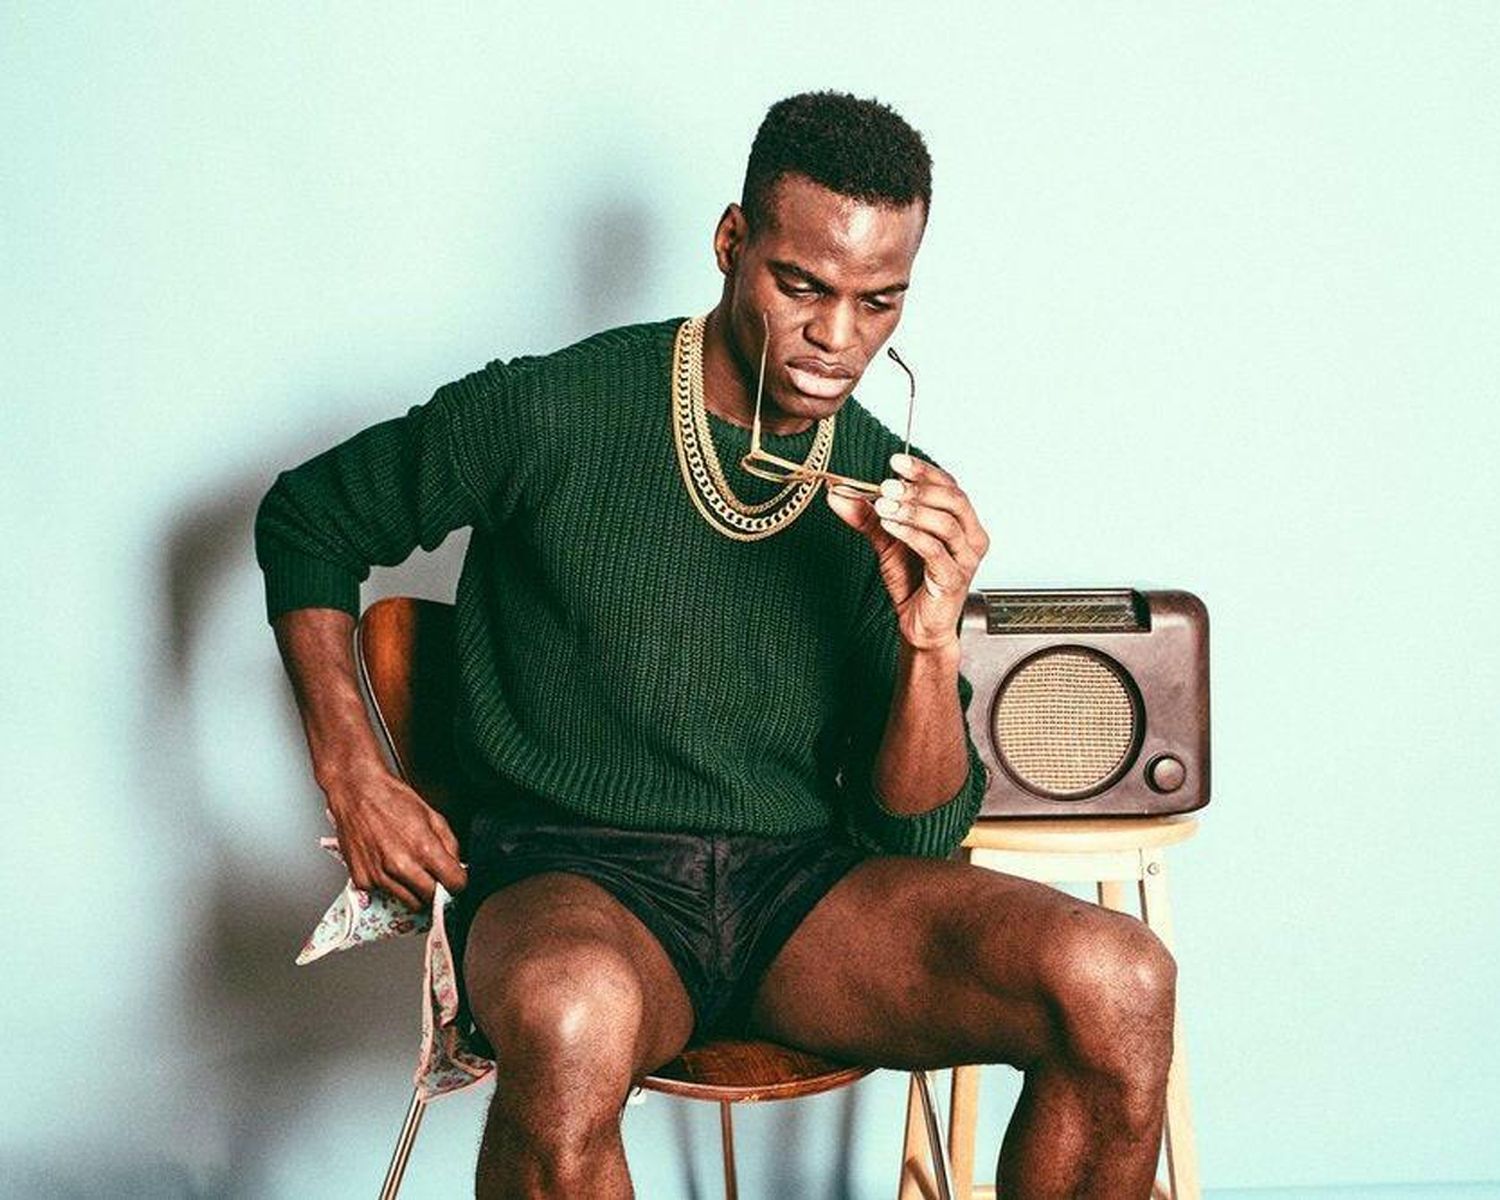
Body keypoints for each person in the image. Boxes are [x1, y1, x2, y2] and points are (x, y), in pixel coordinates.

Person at [255, 90, 1177, 1199]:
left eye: (880, 302)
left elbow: (916, 833)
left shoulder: (884, 484)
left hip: (801, 897)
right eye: (803, 286)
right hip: (575, 879)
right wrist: (353, 772)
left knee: (1119, 982)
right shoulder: (558, 410)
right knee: (575, 1014)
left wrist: (932, 646)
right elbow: (308, 519)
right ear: (733, 243)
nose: (839, 339)